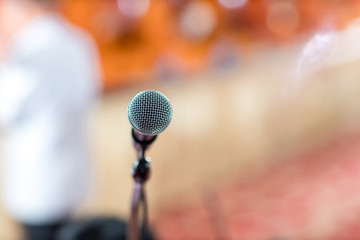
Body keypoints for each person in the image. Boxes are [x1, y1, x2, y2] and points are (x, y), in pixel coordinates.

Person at [0, 0, 102, 239]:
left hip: (37, 185)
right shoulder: (80, 41)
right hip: (75, 176)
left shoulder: (25, 51)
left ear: (24, 7)